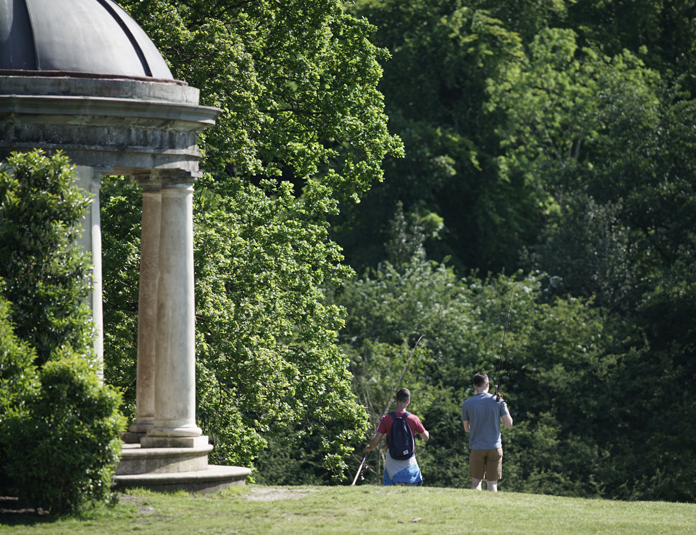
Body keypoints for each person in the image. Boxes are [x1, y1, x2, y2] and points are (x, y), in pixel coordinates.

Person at [365, 387, 430, 486]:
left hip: (392, 462)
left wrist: (369, 447)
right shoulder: (414, 419)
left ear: (395, 400)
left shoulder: (386, 418)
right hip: (409, 462)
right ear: (408, 401)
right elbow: (425, 437)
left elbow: (376, 441)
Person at [462, 372, 513, 492]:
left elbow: (466, 428)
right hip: (494, 447)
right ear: (487, 384)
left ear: (474, 386)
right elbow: (509, 424)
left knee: (476, 482)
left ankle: (475, 507)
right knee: (492, 483)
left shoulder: (467, 404)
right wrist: (503, 405)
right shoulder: (498, 401)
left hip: (476, 447)